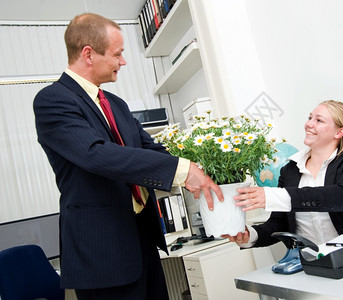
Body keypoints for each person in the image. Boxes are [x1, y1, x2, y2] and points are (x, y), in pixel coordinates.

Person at [33, 13, 223, 300]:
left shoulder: (116, 104)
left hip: (141, 242)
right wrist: (182, 171)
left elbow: (146, 148)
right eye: (118, 54)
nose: (123, 62)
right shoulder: (53, 100)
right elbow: (96, 155)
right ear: (88, 54)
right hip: (102, 255)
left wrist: (197, 170)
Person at [225, 100, 343, 248]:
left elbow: (342, 197)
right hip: (309, 262)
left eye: (319, 120)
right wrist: (250, 235)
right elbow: (279, 223)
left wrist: (275, 196)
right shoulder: (289, 170)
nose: (309, 124)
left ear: (339, 132)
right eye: (310, 118)